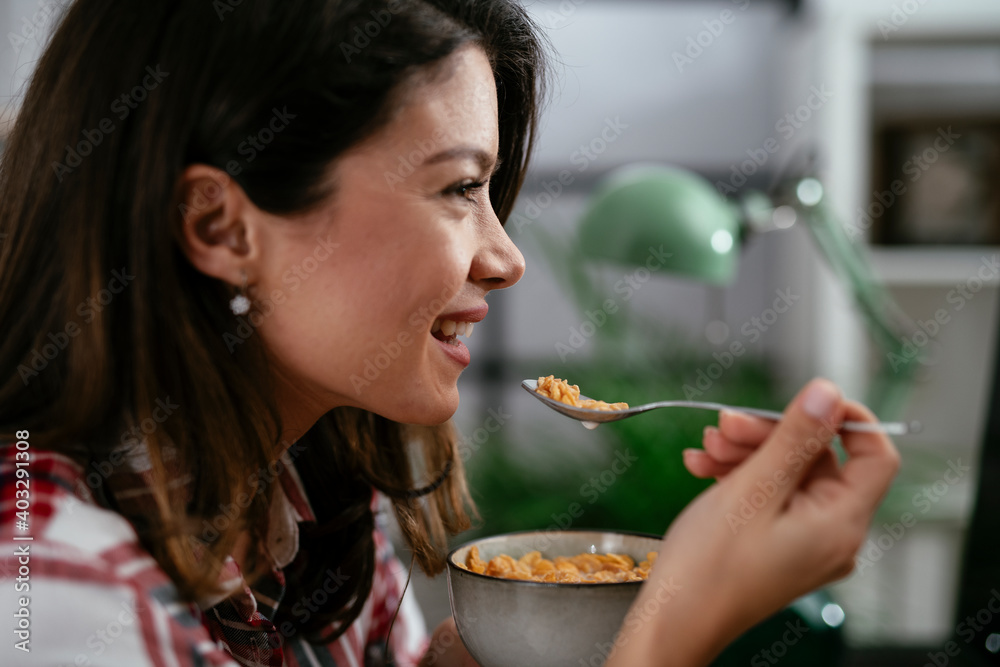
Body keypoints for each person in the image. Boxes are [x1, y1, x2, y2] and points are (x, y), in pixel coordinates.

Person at [0, 1, 899, 665]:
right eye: (460, 188)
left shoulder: (309, 508)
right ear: (221, 227)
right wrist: (674, 625)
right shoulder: (51, 592)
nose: (506, 259)